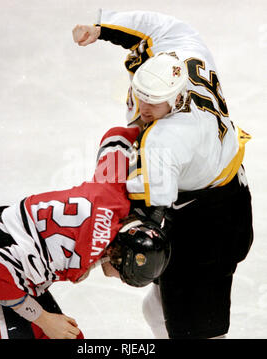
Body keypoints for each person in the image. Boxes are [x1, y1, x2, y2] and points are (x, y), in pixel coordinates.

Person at [72, 10, 254, 339]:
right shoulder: (184, 54)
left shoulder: (167, 140)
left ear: (177, 97)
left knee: (197, 331)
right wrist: (100, 29)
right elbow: (159, 26)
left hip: (206, 229)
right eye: (141, 94)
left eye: (153, 102)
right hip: (226, 197)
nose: (143, 108)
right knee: (155, 309)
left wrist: (116, 253)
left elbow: (152, 215)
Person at [0, 126, 171, 339]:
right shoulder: (70, 255)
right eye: (124, 276)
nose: (120, 281)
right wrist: (44, 319)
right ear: (117, 257)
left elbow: (116, 138)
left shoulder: (113, 196)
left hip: (10, 247)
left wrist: (148, 127)